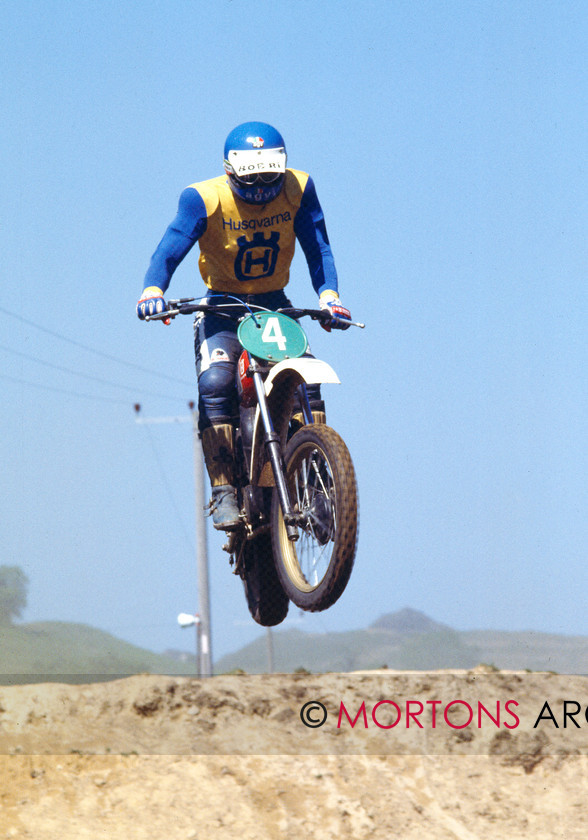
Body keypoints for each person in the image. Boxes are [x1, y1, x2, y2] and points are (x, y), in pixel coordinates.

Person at [137, 121, 351, 530]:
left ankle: (319, 485)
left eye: (269, 176)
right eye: (250, 179)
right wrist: (152, 290)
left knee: (309, 381)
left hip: (275, 306)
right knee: (215, 382)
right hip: (221, 308)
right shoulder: (203, 198)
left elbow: (318, 245)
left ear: (283, 168)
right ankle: (222, 492)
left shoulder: (299, 188)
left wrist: (330, 297)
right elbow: (170, 247)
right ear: (230, 171)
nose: (259, 188)